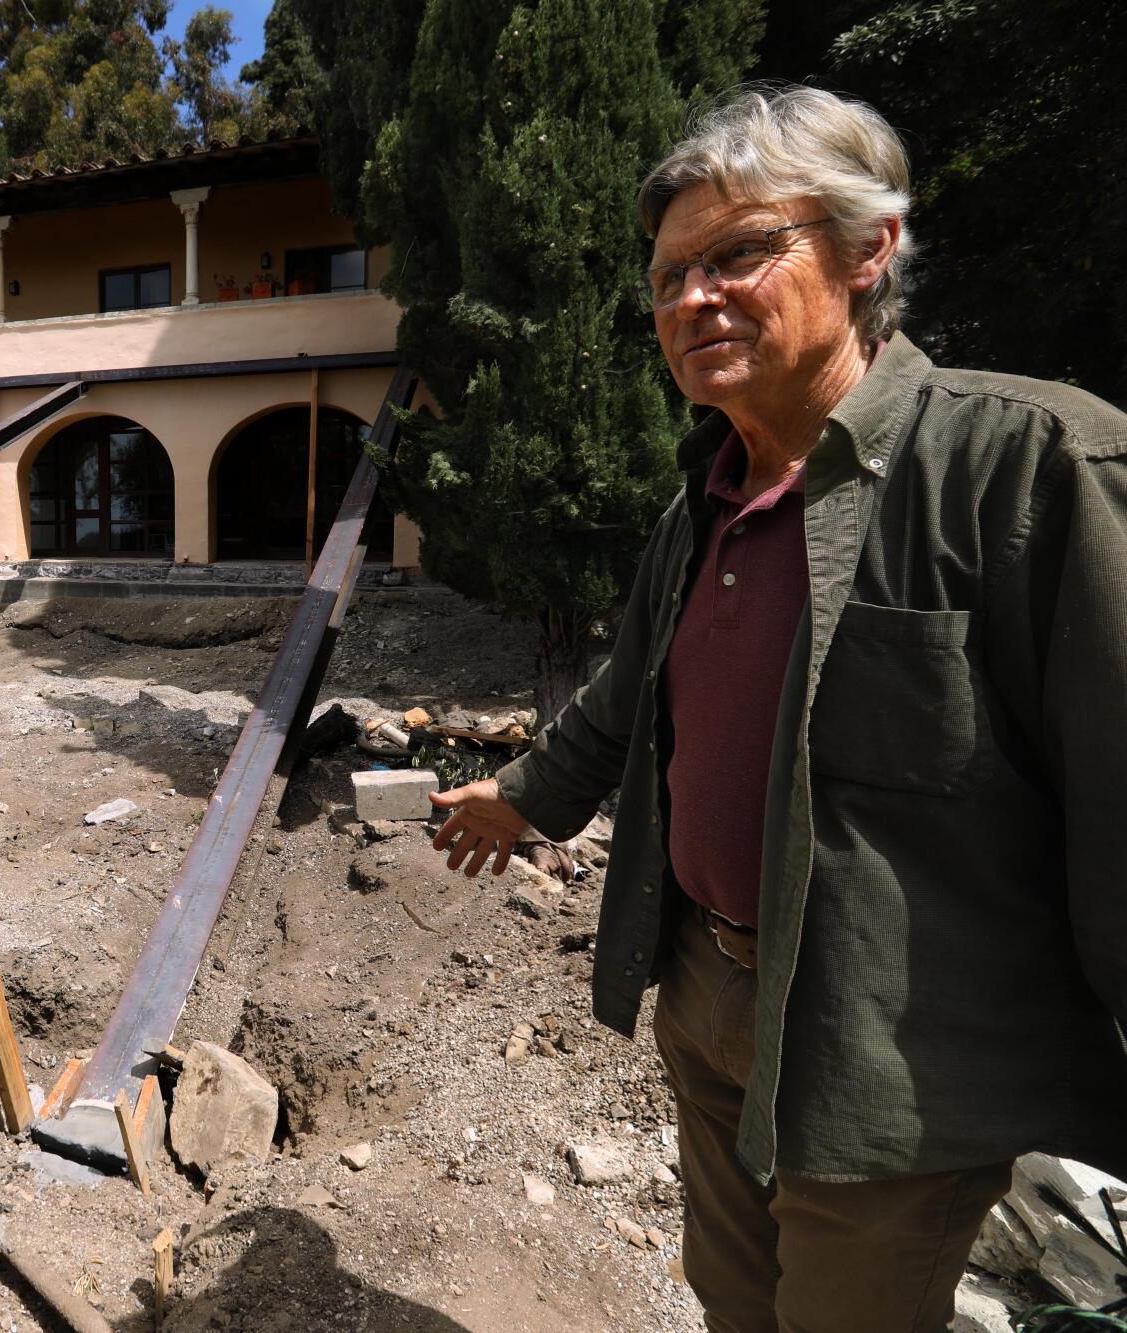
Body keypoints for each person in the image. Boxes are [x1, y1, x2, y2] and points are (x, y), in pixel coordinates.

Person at [427, 84, 1127, 1332]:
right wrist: (521, 795)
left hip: (885, 1054)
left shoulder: (1028, 468)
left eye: (739, 251)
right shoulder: (699, 503)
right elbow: (630, 697)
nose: (691, 298)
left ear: (870, 249)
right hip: (703, 991)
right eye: (667, 277)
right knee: (731, 1296)